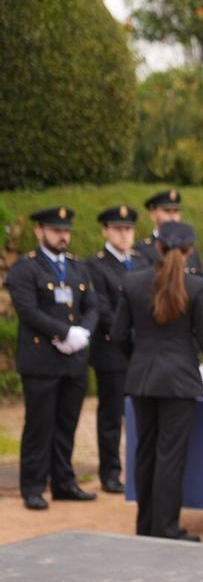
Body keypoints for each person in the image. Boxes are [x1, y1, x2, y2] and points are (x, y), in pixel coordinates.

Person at [112, 221, 203, 540]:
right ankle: (166, 528)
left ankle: (146, 525)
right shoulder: (196, 286)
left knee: (145, 454)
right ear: (190, 250)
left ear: (157, 248)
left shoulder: (133, 281)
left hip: (142, 379)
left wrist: (140, 360)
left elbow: (118, 335)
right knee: (169, 456)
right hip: (179, 381)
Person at [5, 206, 98, 510]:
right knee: (39, 425)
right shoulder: (25, 268)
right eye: (56, 230)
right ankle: (33, 485)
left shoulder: (77, 267)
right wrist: (62, 333)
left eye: (66, 231)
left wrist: (83, 332)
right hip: (42, 359)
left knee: (66, 423)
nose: (62, 236)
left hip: (73, 360)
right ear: (39, 231)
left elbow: (92, 305)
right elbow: (29, 311)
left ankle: (64, 482)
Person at [87, 205, 152, 494]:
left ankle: (138, 471)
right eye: (118, 229)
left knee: (140, 415)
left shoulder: (142, 263)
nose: (125, 235)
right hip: (112, 351)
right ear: (105, 231)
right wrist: (133, 333)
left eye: (128, 229)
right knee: (111, 416)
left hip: (143, 352)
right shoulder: (96, 265)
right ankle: (110, 472)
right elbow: (102, 310)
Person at [139, 189, 203, 277]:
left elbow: (201, 280)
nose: (173, 217)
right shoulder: (143, 250)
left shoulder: (189, 249)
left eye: (176, 211)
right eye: (167, 211)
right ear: (153, 214)